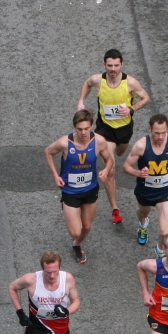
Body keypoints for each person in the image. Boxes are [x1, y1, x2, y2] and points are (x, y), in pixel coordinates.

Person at [77, 49, 151, 224]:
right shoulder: (98, 80)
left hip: (124, 130)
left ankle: (117, 150)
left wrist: (131, 109)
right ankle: (115, 209)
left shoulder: (130, 83)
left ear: (122, 65)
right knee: (110, 169)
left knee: (120, 152)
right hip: (105, 129)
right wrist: (81, 101)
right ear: (104, 64)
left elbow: (145, 98)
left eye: (116, 65)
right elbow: (87, 83)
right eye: (109, 65)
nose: (113, 69)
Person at [45, 110, 112, 264]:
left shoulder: (99, 141)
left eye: (86, 128)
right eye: (80, 129)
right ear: (74, 127)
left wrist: (105, 170)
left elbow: (109, 160)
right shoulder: (65, 143)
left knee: (86, 227)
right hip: (70, 192)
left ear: (91, 126)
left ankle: (76, 244)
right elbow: (48, 152)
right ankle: (74, 231)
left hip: (90, 189)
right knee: (76, 231)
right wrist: (56, 176)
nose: (83, 132)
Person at [123, 114, 168, 257]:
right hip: (145, 191)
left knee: (165, 231)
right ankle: (143, 225)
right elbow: (126, 166)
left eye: (163, 132)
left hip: (166, 191)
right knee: (143, 213)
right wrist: (138, 173)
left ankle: (160, 252)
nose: (160, 137)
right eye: (156, 133)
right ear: (149, 129)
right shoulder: (141, 146)